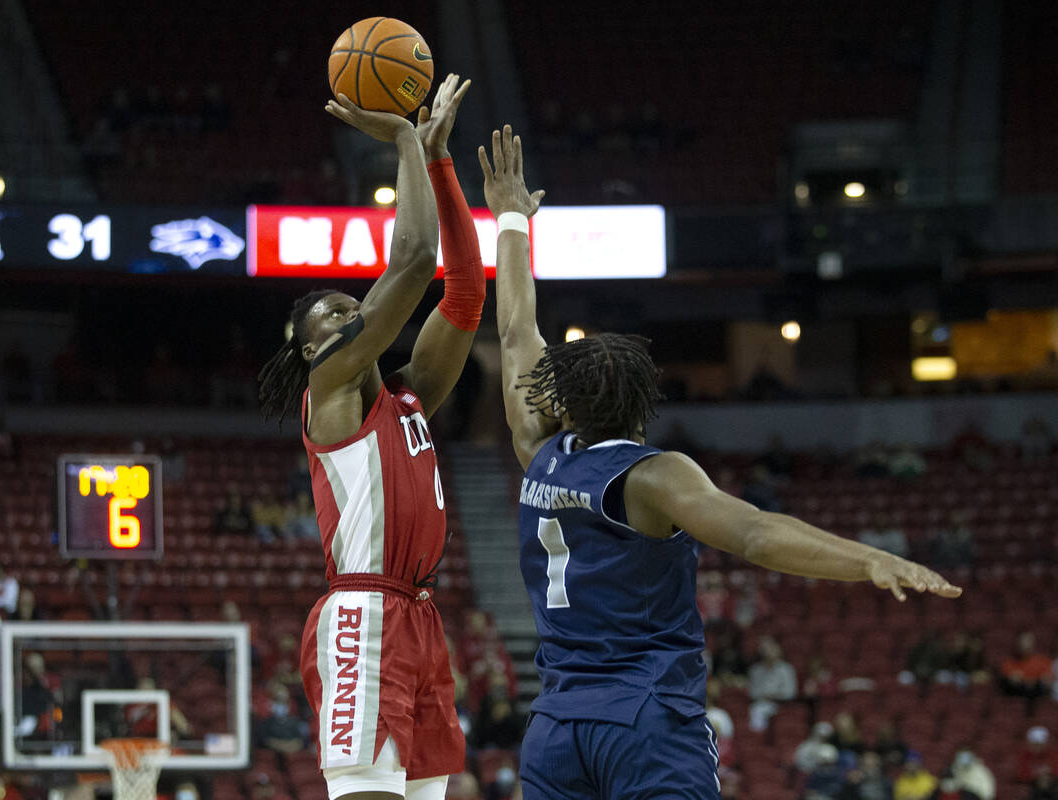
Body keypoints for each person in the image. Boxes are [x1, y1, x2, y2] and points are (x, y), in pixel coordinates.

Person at [482, 123, 962, 800]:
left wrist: (509, 220)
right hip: (644, 721)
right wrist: (870, 560)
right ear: (643, 408)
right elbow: (758, 535)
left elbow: (514, 331)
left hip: (556, 728)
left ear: (559, 401)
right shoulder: (653, 477)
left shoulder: (538, 452)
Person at [254, 74, 477, 800]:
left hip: (419, 615)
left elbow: (465, 292)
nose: (347, 315)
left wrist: (442, 165)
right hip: (363, 613)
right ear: (309, 349)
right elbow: (413, 262)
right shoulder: (330, 387)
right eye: (328, 316)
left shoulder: (409, 395)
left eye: (350, 305)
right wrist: (408, 140)